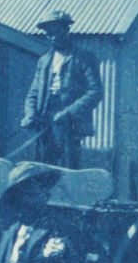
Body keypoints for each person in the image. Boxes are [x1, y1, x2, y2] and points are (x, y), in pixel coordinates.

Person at [20, 9, 104, 169]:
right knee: (42, 168)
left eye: (54, 32)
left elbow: (96, 91)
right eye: (47, 33)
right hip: (44, 119)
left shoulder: (83, 57)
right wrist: (29, 114)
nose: (50, 36)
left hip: (70, 123)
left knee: (68, 170)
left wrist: (69, 112)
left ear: (66, 30)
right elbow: (33, 93)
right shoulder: (44, 61)